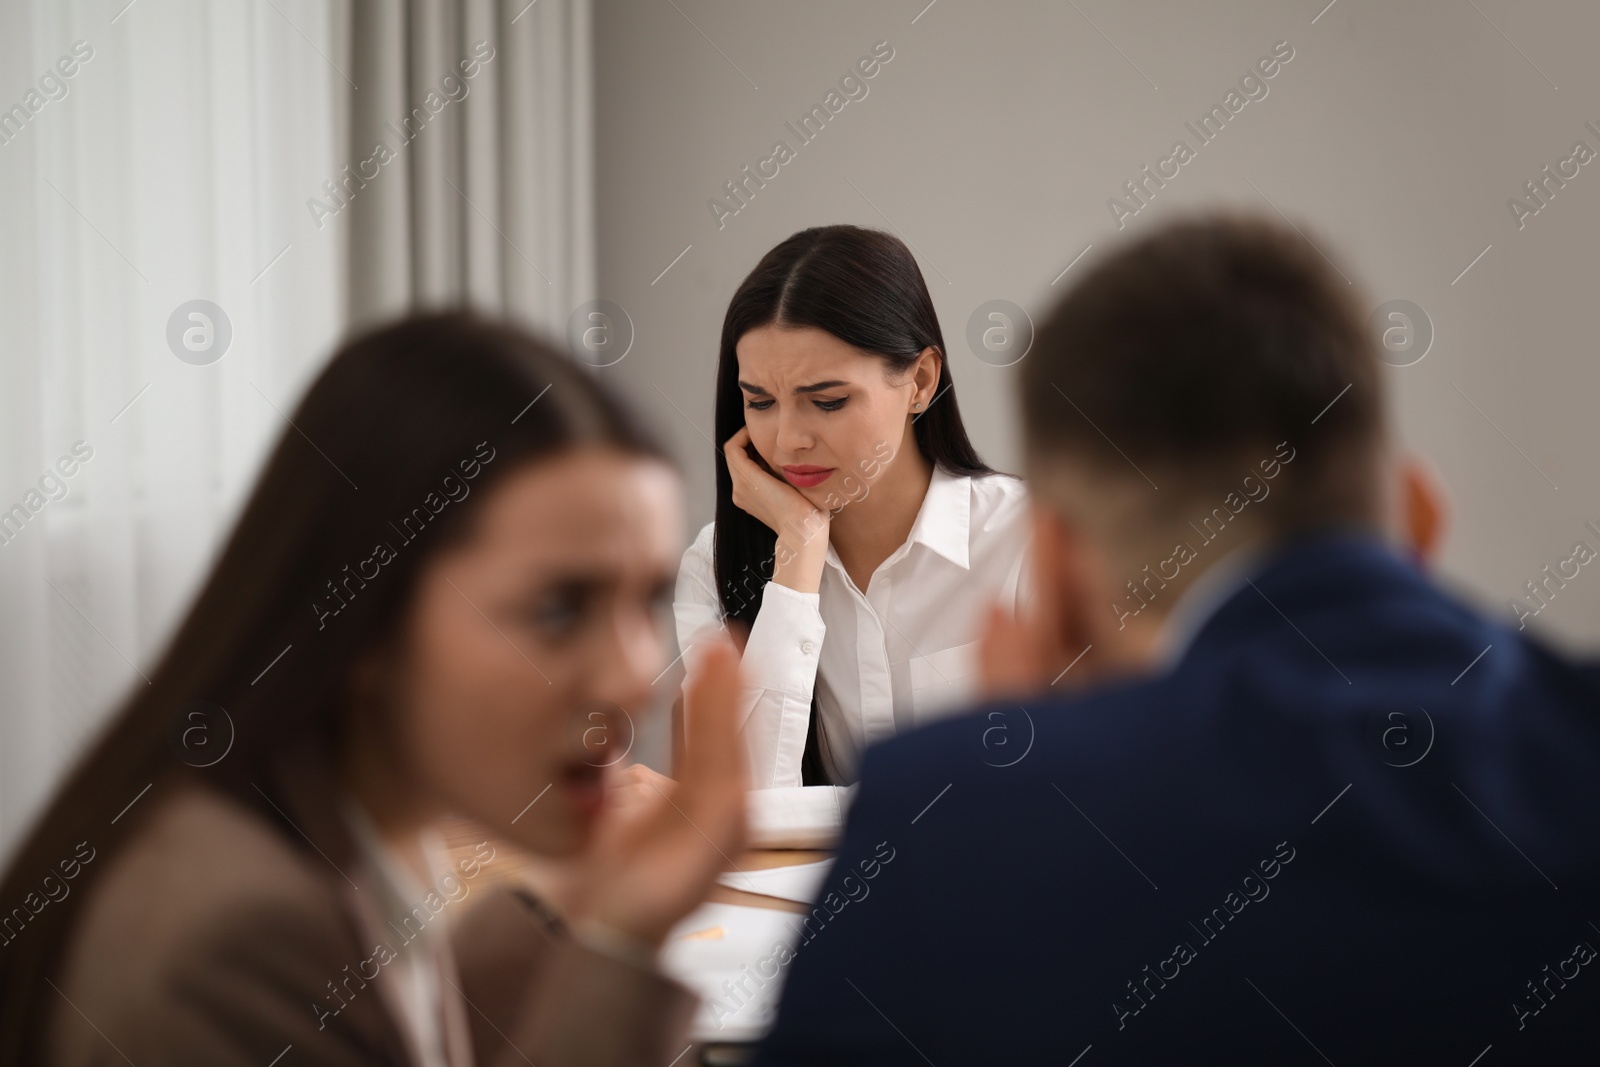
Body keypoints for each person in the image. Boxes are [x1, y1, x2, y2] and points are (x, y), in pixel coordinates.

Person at [752, 213, 1600, 1064]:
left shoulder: (956, 824)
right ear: (1419, 514)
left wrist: (1012, 792)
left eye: (824, 399)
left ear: (1054, 563)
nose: (790, 434)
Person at [0, 312, 749, 1066]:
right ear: (365, 617)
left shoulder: (365, 827)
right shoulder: (237, 941)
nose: (633, 674)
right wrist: (621, 945)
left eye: (645, 600)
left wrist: (600, 910)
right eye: (559, 609)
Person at [673, 224, 1032, 845]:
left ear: (920, 382)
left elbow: (1068, 798)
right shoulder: (715, 563)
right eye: (759, 403)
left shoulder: (1026, 541)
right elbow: (736, 820)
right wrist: (796, 561)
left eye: (828, 401)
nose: (788, 441)